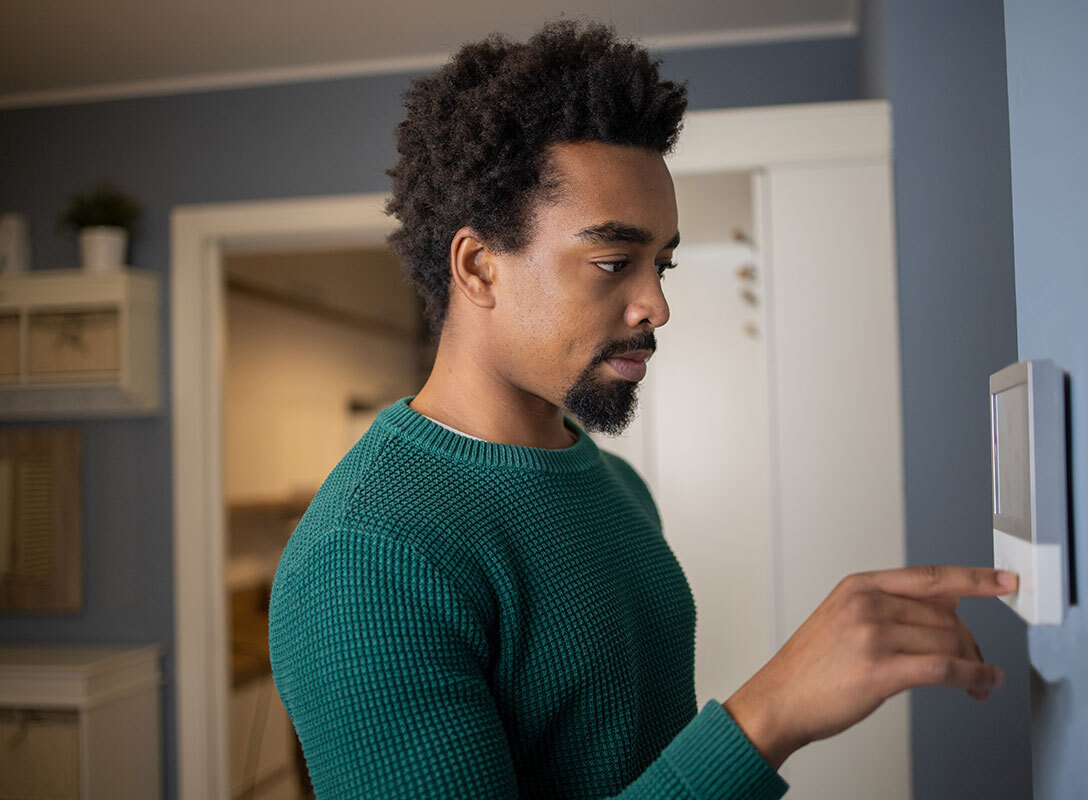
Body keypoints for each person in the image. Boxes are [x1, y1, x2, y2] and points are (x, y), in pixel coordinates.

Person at [268, 17, 1017, 799]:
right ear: (480, 267)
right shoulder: (366, 556)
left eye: (661, 263)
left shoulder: (615, 486)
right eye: (611, 261)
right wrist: (770, 716)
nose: (656, 304)